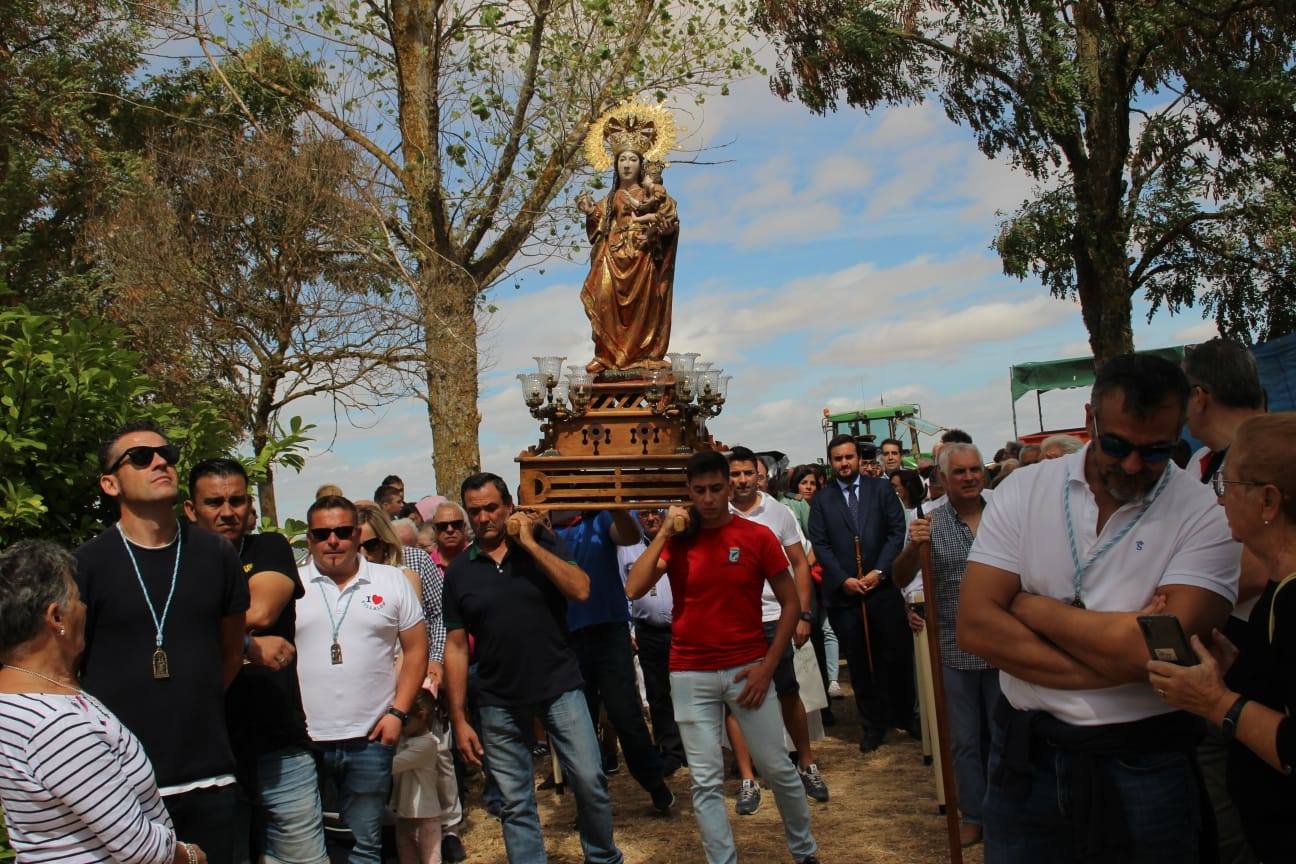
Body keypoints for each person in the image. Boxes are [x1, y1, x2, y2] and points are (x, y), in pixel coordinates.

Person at [958, 352, 1241, 862]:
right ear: (1090, 419)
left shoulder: (1203, 512)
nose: (1133, 465)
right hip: (1028, 759)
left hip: (1147, 761)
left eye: (1157, 451)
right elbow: (976, 628)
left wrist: (1032, 609)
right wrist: (1127, 659)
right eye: (1116, 445)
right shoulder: (1024, 489)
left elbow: (1163, 652)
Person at [626, 450, 821, 864]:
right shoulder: (678, 540)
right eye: (700, 491)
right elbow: (634, 587)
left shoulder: (756, 536)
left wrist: (768, 666)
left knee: (778, 768)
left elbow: (789, 603)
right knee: (706, 781)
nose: (710, 498)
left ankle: (804, 851)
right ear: (688, 492)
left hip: (747, 668)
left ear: (729, 487)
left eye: (717, 488)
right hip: (689, 671)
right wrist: (663, 534)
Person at [75, 421, 248, 863]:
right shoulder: (85, 565)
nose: (160, 462)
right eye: (140, 457)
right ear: (110, 483)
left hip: (209, 776)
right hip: (119, 783)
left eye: (166, 453)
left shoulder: (215, 555)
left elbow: (230, 653)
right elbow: (67, 672)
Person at [443, 473, 622, 864]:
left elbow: (581, 589)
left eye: (491, 508)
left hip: (559, 683)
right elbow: (455, 648)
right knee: (514, 801)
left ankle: (604, 856)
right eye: (475, 511)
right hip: (496, 698)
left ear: (508, 506)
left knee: (590, 781)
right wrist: (459, 717)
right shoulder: (460, 572)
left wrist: (527, 542)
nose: (484, 517)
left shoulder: (544, 542)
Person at [0, 540, 207, 864]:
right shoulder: (57, 726)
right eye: (78, 598)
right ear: (57, 617)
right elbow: (138, 848)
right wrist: (191, 855)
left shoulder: (14, 700)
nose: (84, 607)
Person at [1147, 413, 1296, 863]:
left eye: (1226, 487)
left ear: (1268, 501)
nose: (1218, 502)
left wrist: (1217, 703)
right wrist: (1240, 674)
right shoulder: (1279, 587)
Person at [184, 458, 328, 864]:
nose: (227, 512)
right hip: (209, 752)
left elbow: (261, 610)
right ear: (191, 510)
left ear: (250, 506)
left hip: (279, 745)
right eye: (214, 502)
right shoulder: (176, 566)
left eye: (236, 500)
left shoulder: (269, 547)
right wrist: (249, 646)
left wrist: (190, 622)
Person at [296, 495, 428, 864]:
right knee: (312, 848)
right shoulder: (291, 584)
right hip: (308, 741)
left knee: (365, 845)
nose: (332, 541)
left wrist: (397, 714)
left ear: (356, 534)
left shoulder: (392, 581)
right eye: (322, 534)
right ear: (310, 539)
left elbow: (416, 649)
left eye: (341, 531)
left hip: (370, 737)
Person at [1182, 336, 1270, 864]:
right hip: (1223, 641)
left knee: (1252, 804)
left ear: (1199, 395)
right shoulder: (1202, 464)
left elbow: (1263, 563)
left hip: (1262, 642)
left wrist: (1184, 598)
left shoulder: (1271, 451)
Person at [892, 443, 998, 849]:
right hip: (954, 647)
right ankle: (973, 815)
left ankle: (1006, 811)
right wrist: (911, 549)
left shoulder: (1004, 517)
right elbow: (902, 579)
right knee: (966, 739)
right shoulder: (929, 523)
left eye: (975, 470)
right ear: (943, 478)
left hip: (1006, 645)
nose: (969, 477)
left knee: (1006, 735)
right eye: (960, 472)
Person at [725, 446, 829, 810]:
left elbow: (800, 563)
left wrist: (802, 613)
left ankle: (806, 762)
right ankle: (748, 778)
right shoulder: (715, 514)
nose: (741, 481)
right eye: (734, 474)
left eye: (747, 474)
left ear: (759, 475)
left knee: (787, 690)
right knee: (736, 699)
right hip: (734, 621)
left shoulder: (780, 512)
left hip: (776, 617)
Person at [553, 508, 675, 813]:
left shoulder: (601, 518)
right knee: (579, 724)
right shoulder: (543, 527)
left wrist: (615, 502)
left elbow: (630, 534)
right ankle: (590, 804)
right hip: (565, 637)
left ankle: (655, 784)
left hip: (608, 631)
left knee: (626, 716)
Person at [807, 433, 910, 753]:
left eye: (849, 457)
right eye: (838, 459)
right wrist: (843, 579)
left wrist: (879, 571)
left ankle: (904, 716)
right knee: (860, 660)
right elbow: (820, 544)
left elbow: (896, 531)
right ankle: (872, 725)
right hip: (845, 596)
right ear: (831, 462)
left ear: (859, 459)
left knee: (893, 654)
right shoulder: (823, 501)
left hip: (882, 588)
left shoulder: (880, 489)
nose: (844, 463)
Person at [575, 102, 678, 374]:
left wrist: (659, 227)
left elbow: (669, 223)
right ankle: (607, 353)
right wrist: (589, 213)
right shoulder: (608, 200)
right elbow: (599, 228)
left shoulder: (653, 196)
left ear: (641, 164)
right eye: (622, 159)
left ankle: (643, 354)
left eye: (633, 159)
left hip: (642, 259)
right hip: (611, 256)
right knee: (602, 296)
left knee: (644, 307)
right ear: (615, 164)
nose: (627, 164)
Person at [616, 508, 686, 776]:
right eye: (644, 514)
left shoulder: (680, 538)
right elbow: (623, 587)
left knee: (688, 690)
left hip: (682, 627)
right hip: (647, 630)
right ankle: (670, 750)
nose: (651, 519)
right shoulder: (627, 547)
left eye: (656, 513)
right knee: (658, 693)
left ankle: (692, 748)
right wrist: (627, 629)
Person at [391, 690, 444, 864]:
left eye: (404, 718)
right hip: (403, 814)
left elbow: (391, 766)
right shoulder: (404, 739)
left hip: (425, 816)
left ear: (421, 716)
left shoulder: (427, 744)